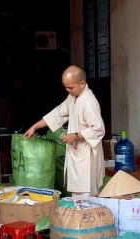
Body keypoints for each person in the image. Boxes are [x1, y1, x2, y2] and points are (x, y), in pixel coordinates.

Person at [23, 65, 105, 198]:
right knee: (77, 194)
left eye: (70, 87)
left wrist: (76, 136)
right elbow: (57, 114)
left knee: (87, 195)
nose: (68, 90)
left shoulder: (88, 102)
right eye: (66, 87)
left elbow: (98, 128)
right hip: (76, 152)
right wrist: (35, 127)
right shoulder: (73, 97)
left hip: (87, 157)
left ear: (82, 83)